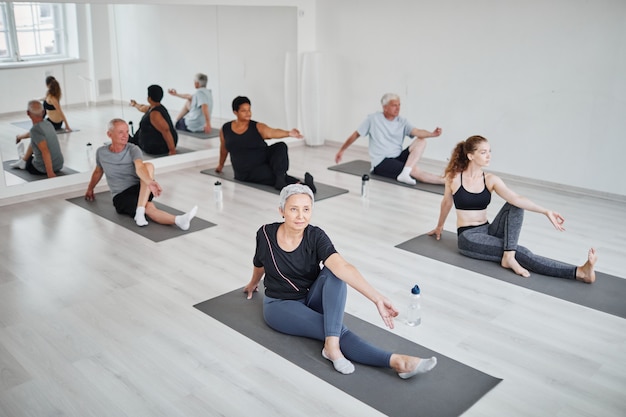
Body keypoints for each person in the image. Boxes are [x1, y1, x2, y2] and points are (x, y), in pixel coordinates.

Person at [243, 184, 438, 377]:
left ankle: (332, 345)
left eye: (306, 209)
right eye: (294, 209)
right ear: (281, 211)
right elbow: (259, 263)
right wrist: (253, 283)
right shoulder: (266, 234)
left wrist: (377, 298)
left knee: (335, 272)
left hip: (311, 298)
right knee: (332, 330)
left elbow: (343, 267)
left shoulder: (315, 236)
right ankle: (397, 361)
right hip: (281, 305)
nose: (301, 216)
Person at [428, 135, 597, 283]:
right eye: (483, 152)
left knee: (515, 206)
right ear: (470, 155)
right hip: (469, 237)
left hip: (488, 229)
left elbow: (516, 198)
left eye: (490, 151)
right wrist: (439, 226)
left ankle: (508, 256)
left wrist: (546, 211)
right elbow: (446, 203)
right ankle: (579, 273)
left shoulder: (490, 179)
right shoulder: (454, 178)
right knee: (520, 252)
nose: (489, 156)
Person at [84, 118, 197, 229]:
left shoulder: (133, 149)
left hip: (142, 187)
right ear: (109, 134)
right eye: (121, 132)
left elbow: (139, 168)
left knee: (148, 166)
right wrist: (90, 189)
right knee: (149, 207)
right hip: (121, 195)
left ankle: (140, 211)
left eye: (127, 131)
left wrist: (150, 182)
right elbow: (98, 171)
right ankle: (178, 220)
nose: (126, 135)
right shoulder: (101, 152)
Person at [335, 93, 444, 185]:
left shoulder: (402, 121)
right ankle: (446, 181)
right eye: (394, 105)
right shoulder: (373, 119)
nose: (397, 108)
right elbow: (355, 135)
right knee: (414, 170)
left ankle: (405, 172)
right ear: (385, 107)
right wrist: (341, 150)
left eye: (399, 105)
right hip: (381, 162)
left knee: (421, 140)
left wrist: (432, 134)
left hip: (397, 157)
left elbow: (417, 132)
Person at [216, 96, 316, 192]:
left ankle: (285, 182)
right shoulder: (225, 129)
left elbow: (272, 132)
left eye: (249, 110)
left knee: (280, 146)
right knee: (273, 175)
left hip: (263, 159)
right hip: (246, 170)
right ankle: (304, 186)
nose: (248, 113)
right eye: (244, 111)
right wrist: (220, 165)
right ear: (235, 112)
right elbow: (223, 149)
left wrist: (289, 133)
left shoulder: (257, 126)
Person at [10, 100, 64, 178]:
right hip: (59, 165)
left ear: (28, 113)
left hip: (41, 169)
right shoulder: (48, 124)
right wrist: (20, 137)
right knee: (36, 139)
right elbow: (32, 134)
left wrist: (50, 173)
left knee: (29, 159)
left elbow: (45, 151)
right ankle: (23, 159)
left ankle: (22, 157)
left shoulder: (35, 130)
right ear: (43, 112)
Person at [16, 76, 71, 144]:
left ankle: (19, 137)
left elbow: (60, 112)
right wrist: (37, 99)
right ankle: (38, 121)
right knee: (43, 106)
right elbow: (45, 98)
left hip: (55, 123)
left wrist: (67, 126)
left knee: (36, 131)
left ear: (47, 85)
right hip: (52, 121)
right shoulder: (50, 95)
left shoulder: (52, 98)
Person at [129, 84, 178, 155]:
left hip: (159, 147)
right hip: (157, 141)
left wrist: (172, 150)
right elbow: (142, 107)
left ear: (149, 98)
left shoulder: (155, 114)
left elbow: (166, 131)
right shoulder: (154, 107)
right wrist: (135, 104)